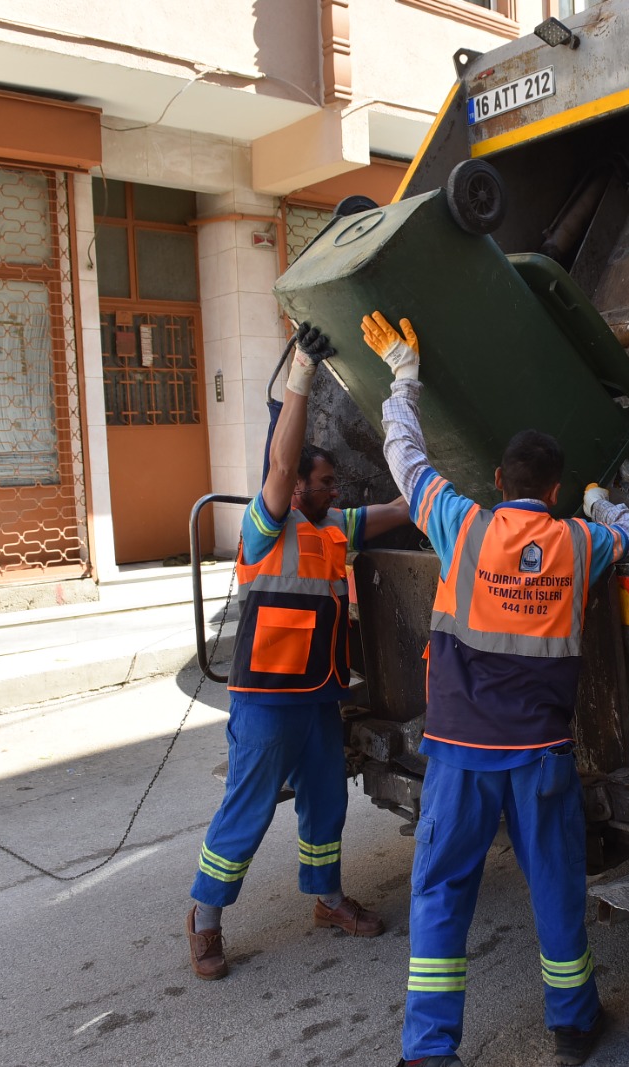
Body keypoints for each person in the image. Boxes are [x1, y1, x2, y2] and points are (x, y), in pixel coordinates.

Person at [363, 310, 629, 1067]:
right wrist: (597, 501)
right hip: (540, 756)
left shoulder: (461, 523)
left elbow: (406, 460)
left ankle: (429, 1051)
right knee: (555, 886)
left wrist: (405, 378)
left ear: (498, 481)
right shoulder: (580, 543)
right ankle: (574, 1023)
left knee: (441, 893)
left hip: (459, 753)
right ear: (551, 490)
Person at [186, 323, 411, 981]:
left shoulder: (338, 528)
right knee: (247, 811)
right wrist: (303, 373)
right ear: (299, 487)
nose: (336, 489)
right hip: (264, 701)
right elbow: (282, 465)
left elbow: (399, 508)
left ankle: (328, 898)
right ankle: (204, 920)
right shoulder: (267, 526)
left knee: (325, 803)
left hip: (318, 696)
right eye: (326, 480)